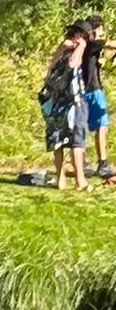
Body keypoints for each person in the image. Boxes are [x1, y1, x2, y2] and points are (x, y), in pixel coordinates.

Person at [39, 21, 90, 191]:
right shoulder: (74, 51)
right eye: (81, 35)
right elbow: (72, 65)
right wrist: (80, 47)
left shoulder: (64, 50)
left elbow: (51, 66)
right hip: (71, 103)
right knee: (76, 141)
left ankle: (62, 178)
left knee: (59, 140)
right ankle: (79, 180)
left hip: (57, 104)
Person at [82, 15, 114, 177]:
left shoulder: (83, 45)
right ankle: (103, 163)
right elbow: (110, 44)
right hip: (93, 89)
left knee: (83, 127)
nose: (103, 31)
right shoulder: (93, 43)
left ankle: (83, 163)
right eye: (101, 28)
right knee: (102, 126)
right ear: (96, 29)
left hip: (81, 91)